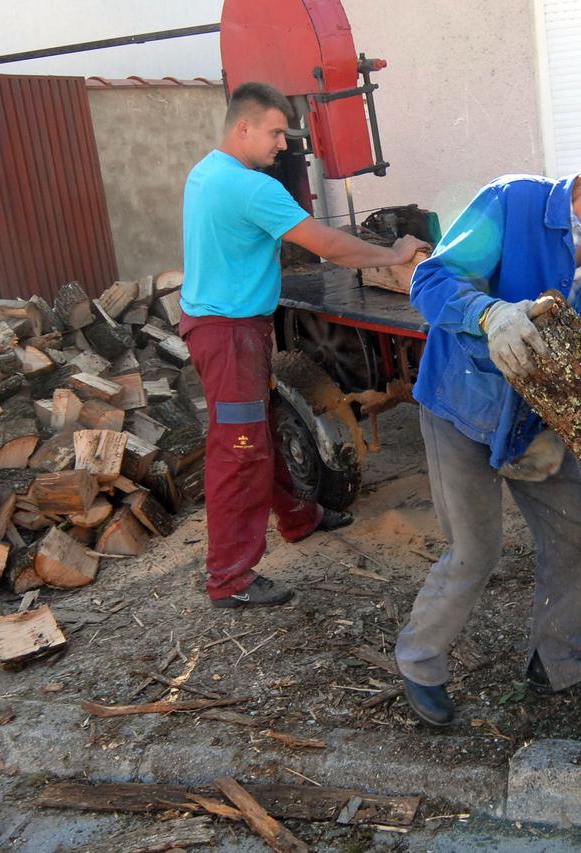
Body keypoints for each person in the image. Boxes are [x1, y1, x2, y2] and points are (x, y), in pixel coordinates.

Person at [394, 120, 581, 725]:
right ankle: (419, 662)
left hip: (536, 424)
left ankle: (557, 662)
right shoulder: (515, 202)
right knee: (475, 551)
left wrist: (577, 426)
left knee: (574, 535)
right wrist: (489, 314)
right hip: (462, 407)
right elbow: (431, 281)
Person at [180, 82, 429, 609]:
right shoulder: (251, 188)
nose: (282, 145)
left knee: (257, 431)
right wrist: (397, 251)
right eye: (274, 132)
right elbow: (329, 245)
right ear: (242, 126)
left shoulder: (207, 172)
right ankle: (229, 578)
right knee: (239, 450)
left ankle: (298, 518)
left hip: (219, 326)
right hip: (230, 334)